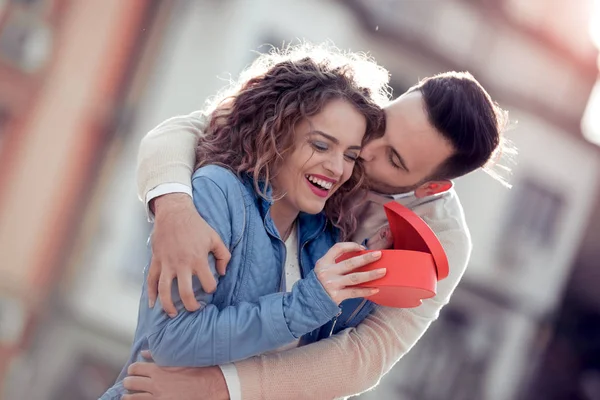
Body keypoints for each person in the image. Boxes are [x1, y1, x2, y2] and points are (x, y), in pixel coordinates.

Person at [123, 52, 511, 399]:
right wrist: (174, 208)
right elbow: (189, 130)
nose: (362, 152)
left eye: (393, 159)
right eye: (383, 124)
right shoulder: (341, 116)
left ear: (431, 186)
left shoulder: (444, 241)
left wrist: (218, 388)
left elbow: (365, 356)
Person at [101, 45, 391, 399]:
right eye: (320, 145)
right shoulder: (218, 192)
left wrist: (369, 273)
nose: (337, 168)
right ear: (277, 132)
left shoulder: (323, 235)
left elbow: (314, 358)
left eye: (349, 155)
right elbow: (171, 340)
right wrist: (305, 303)